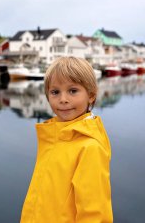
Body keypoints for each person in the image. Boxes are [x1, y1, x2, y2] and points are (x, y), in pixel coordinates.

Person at [20, 57, 113, 223]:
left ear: (91, 95)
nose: (63, 99)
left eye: (73, 91)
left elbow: (94, 214)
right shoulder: (54, 136)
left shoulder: (90, 147)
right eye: (55, 92)